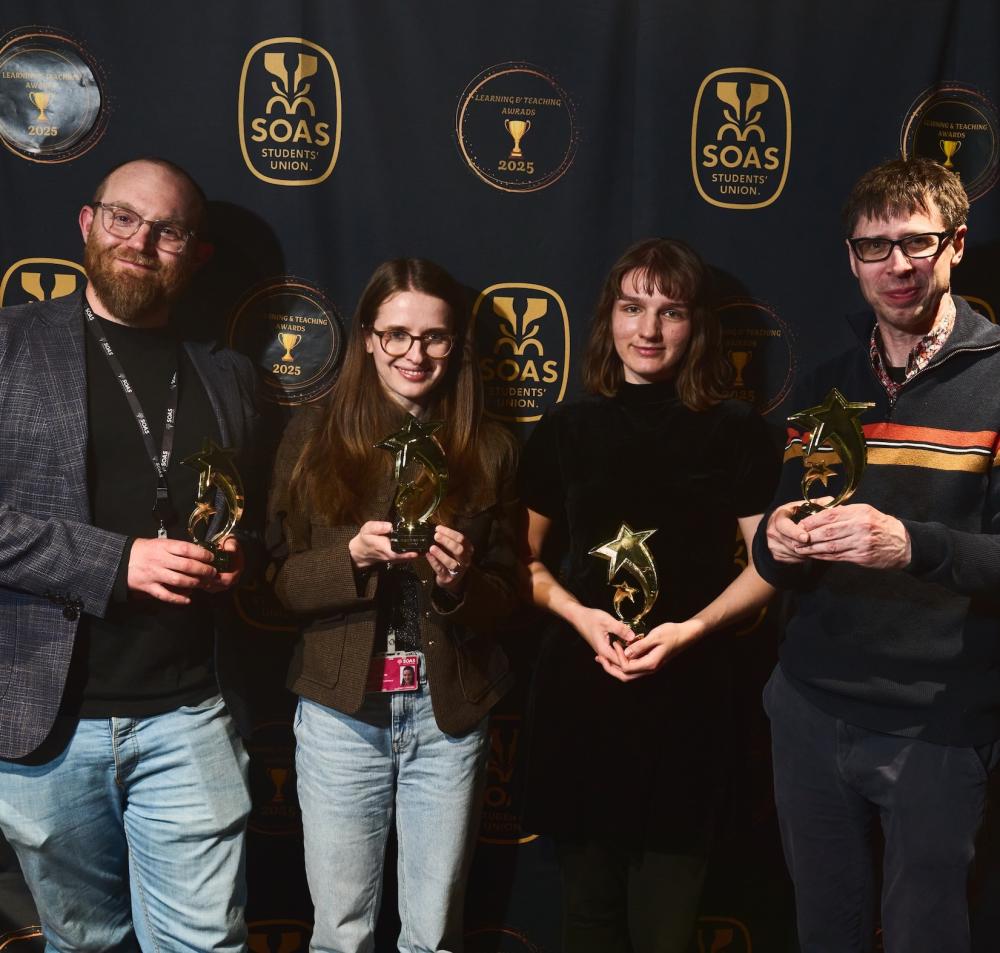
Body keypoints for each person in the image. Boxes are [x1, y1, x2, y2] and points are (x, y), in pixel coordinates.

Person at [0, 158, 258, 951]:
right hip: (49, 724)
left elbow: (255, 517)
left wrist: (241, 553)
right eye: (123, 218)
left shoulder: (228, 377)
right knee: (85, 946)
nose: (140, 242)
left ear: (196, 254)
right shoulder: (10, 344)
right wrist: (115, 562)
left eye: (168, 230)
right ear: (86, 223)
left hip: (187, 713)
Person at [754, 157, 1000, 953]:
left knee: (929, 934)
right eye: (874, 247)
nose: (896, 265)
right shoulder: (826, 386)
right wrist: (778, 537)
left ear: (956, 244)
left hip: (937, 719)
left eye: (916, 243)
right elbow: (777, 542)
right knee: (825, 931)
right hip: (811, 706)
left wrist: (911, 545)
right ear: (851, 258)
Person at [519, 238, 779, 953]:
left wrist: (691, 629)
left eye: (671, 311)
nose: (649, 330)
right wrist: (579, 615)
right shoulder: (565, 429)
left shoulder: (738, 433)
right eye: (633, 307)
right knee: (587, 924)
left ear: (698, 327)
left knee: (668, 930)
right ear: (608, 318)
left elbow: (770, 566)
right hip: (582, 700)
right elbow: (519, 562)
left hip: (689, 706)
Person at [268, 258, 519, 953]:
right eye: (398, 334)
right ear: (369, 337)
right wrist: (350, 557)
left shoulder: (489, 445)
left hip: (449, 712)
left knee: (434, 934)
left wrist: (460, 581)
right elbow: (278, 581)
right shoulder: (313, 436)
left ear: (455, 345)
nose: (416, 353)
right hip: (341, 711)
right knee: (340, 931)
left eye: (435, 337)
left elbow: (508, 596)